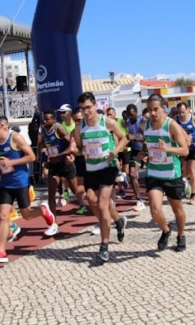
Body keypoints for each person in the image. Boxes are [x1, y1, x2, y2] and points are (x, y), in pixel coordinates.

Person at [0, 115, 57, 263]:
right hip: (6, 184)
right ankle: (1, 251)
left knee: (27, 215)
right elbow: (0, 160)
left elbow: (31, 157)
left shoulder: (15, 138)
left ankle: (43, 210)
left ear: (1, 127)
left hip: (20, 182)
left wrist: (13, 162)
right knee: (3, 216)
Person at [73, 92, 129, 262]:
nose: (86, 112)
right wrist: (75, 153)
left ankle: (104, 246)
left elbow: (124, 139)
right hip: (91, 170)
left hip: (108, 168)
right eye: (83, 109)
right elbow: (79, 148)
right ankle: (118, 221)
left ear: (95, 106)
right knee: (91, 200)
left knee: (103, 204)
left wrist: (115, 151)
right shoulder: (79, 127)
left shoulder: (108, 122)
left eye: (88, 107)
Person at [141, 94, 189, 251]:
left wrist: (168, 148)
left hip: (171, 174)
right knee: (155, 209)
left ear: (163, 108)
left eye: (155, 109)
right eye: (150, 110)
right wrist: (142, 154)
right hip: (154, 173)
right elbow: (146, 145)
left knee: (177, 210)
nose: (152, 113)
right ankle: (166, 230)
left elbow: (185, 150)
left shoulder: (171, 125)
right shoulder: (145, 125)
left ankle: (181, 235)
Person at [39, 109, 85, 219]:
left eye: (47, 119)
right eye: (43, 120)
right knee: (51, 194)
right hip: (53, 165)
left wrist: (60, 156)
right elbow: (42, 144)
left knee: (76, 191)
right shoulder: (43, 130)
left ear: (54, 120)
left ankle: (84, 203)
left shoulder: (59, 128)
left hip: (65, 163)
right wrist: (44, 157)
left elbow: (71, 145)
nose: (45, 122)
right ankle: (53, 222)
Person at [175, 102, 195, 204]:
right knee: (184, 172)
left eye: (183, 112)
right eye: (179, 113)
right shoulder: (176, 120)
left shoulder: (194, 119)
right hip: (183, 148)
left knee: (192, 171)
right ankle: (186, 188)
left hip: (193, 148)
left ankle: (193, 195)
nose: (181, 114)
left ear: (188, 110)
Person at [126, 104, 146, 211]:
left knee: (153, 176)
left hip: (146, 149)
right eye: (129, 115)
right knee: (132, 174)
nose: (130, 117)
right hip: (135, 151)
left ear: (136, 113)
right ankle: (139, 199)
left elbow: (146, 137)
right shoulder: (128, 123)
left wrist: (134, 137)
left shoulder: (142, 121)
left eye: (132, 115)